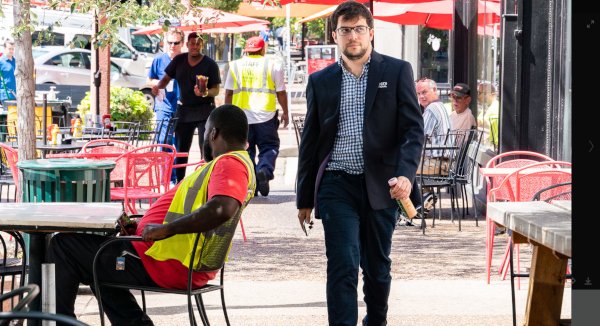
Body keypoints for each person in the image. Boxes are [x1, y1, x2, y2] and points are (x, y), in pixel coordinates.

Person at [47, 104, 256, 326]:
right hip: (167, 257)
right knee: (98, 264)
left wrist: (164, 229)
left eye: (204, 132)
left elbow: (222, 208)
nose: (204, 138)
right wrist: (140, 226)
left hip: (163, 261)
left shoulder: (229, 163)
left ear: (213, 133)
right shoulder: (231, 164)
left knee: (64, 246)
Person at [296, 2, 424, 325]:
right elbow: (310, 143)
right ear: (335, 36)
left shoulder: (396, 71)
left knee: (377, 268)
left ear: (370, 33)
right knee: (343, 262)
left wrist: (406, 174)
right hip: (336, 185)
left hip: (383, 185)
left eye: (358, 29)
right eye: (344, 30)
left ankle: (376, 320)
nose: (352, 36)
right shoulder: (320, 81)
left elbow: (413, 129)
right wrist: (304, 198)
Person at [152, 32, 221, 183]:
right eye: (192, 43)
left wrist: (206, 92)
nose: (195, 46)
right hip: (184, 111)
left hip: (205, 110)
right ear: (187, 45)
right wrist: (158, 87)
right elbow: (166, 78)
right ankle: (180, 182)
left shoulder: (210, 64)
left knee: (206, 148)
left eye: (198, 43)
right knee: (182, 149)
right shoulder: (179, 60)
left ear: (201, 45)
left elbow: (216, 89)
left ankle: (206, 181)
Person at [224, 36, 289, 196]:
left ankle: (253, 179)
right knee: (270, 147)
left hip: (241, 118)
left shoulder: (234, 66)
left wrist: (226, 116)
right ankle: (264, 171)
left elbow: (228, 93)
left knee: (247, 151)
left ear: (246, 49)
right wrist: (286, 112)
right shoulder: (273, 65)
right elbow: (281, 92)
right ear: (262, 49)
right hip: (265, 116)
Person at [147, 28, 184, 147]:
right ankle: (165, 165)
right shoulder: (158, 60)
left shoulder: (187, 61)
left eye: (176, 43)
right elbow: (149, 80)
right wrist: (162, 83)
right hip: (163, 105)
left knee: (180, 142)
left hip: (182, 107)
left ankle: (174, 166)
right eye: (170, 42)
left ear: (182, 43)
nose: (172, 45)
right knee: (163, 140)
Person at [477, 81, 499, 149]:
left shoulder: (495, 108)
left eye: (480, 93)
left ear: (491, 94)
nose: (478, 96)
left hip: (492, 147)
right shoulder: (487, 107)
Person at [0, 40, 16, 104]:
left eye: (12, 49)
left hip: (16, 95)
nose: (11, 51)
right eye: (9, 49)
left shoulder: (16, 61)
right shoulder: (1, 62)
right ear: (4, 49)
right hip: (5, 96)